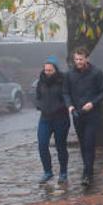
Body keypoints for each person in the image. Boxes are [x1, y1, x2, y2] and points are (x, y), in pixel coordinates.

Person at [63, 47, 103, 186]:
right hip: (77, 114)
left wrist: (92, 103)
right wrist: (70, 106)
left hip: (92, 114)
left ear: (87, 58)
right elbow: (65, 92)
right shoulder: (69, 75)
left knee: (89, 143)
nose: (78, 62)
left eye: (81, 59)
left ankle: (87, 174)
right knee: (83, 144)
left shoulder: (96, 73)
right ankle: (88, 170)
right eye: (76, 59)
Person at [35, 55, 70, 184]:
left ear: (56, 70)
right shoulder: (41, 81)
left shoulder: (63, 81)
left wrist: (61, 106)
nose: (48, 72)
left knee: (61, 146)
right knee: (42, 144)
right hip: (45, 118)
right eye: (46, 70)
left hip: (61, 118)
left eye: (50, 70)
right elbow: (37, 96)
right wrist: (39, 105)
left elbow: (67, 97)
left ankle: (63, 172)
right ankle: (47, 171)